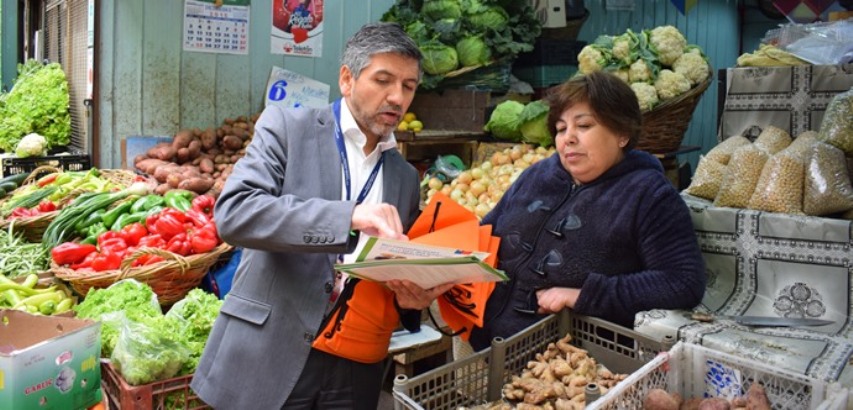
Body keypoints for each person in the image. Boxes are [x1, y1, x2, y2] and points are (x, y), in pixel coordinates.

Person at [191, 22, 454, 409]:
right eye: (383, 80)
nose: (397, 97)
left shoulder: (402, 176)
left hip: (356, 362)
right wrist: (348, 215)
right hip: (271, 349)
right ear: (347, 79)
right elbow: (235, 212)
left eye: (408, 86)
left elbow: (393, 263)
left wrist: (411, 296)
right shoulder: (286, 127)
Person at [468, 71, 706, 351]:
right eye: (560, 128)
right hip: (484, 347)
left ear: (622, 133)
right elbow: (486, 232)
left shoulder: (649, 195)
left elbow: (683, 281)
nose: (568, 138)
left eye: (583, 125)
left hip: (564, 368)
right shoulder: (538, 175)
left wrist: (585, 296)